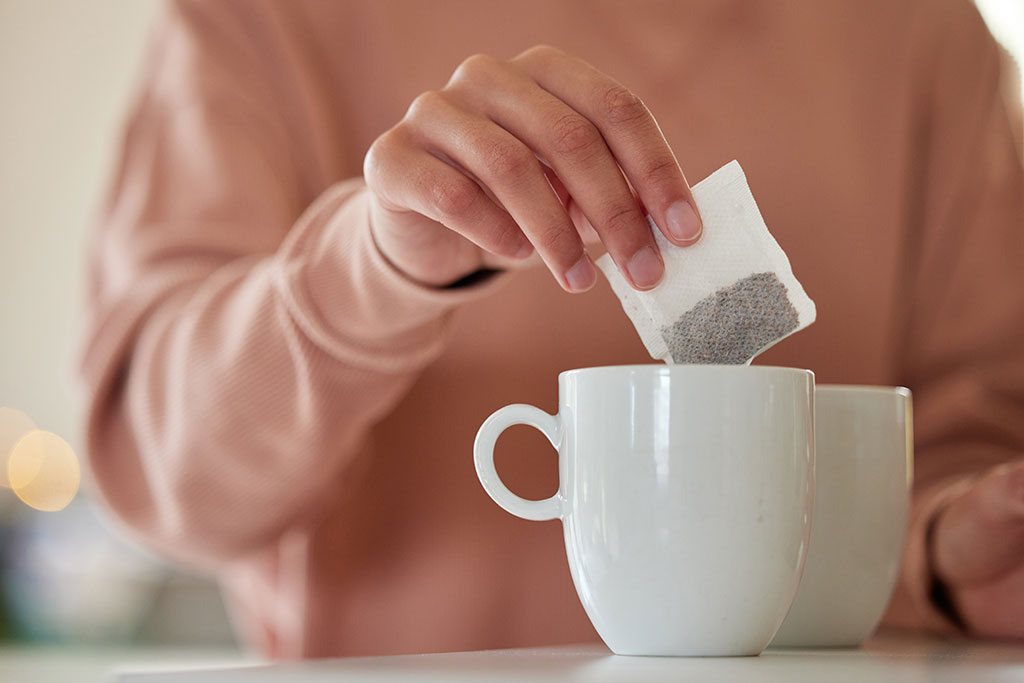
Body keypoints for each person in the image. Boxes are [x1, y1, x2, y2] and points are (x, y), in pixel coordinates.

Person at [79, 0, 1024, 658]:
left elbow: (951, 456)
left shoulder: (925, 34)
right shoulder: (265, 17)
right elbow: (166, 481)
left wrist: (947, 556)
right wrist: (371, 267)